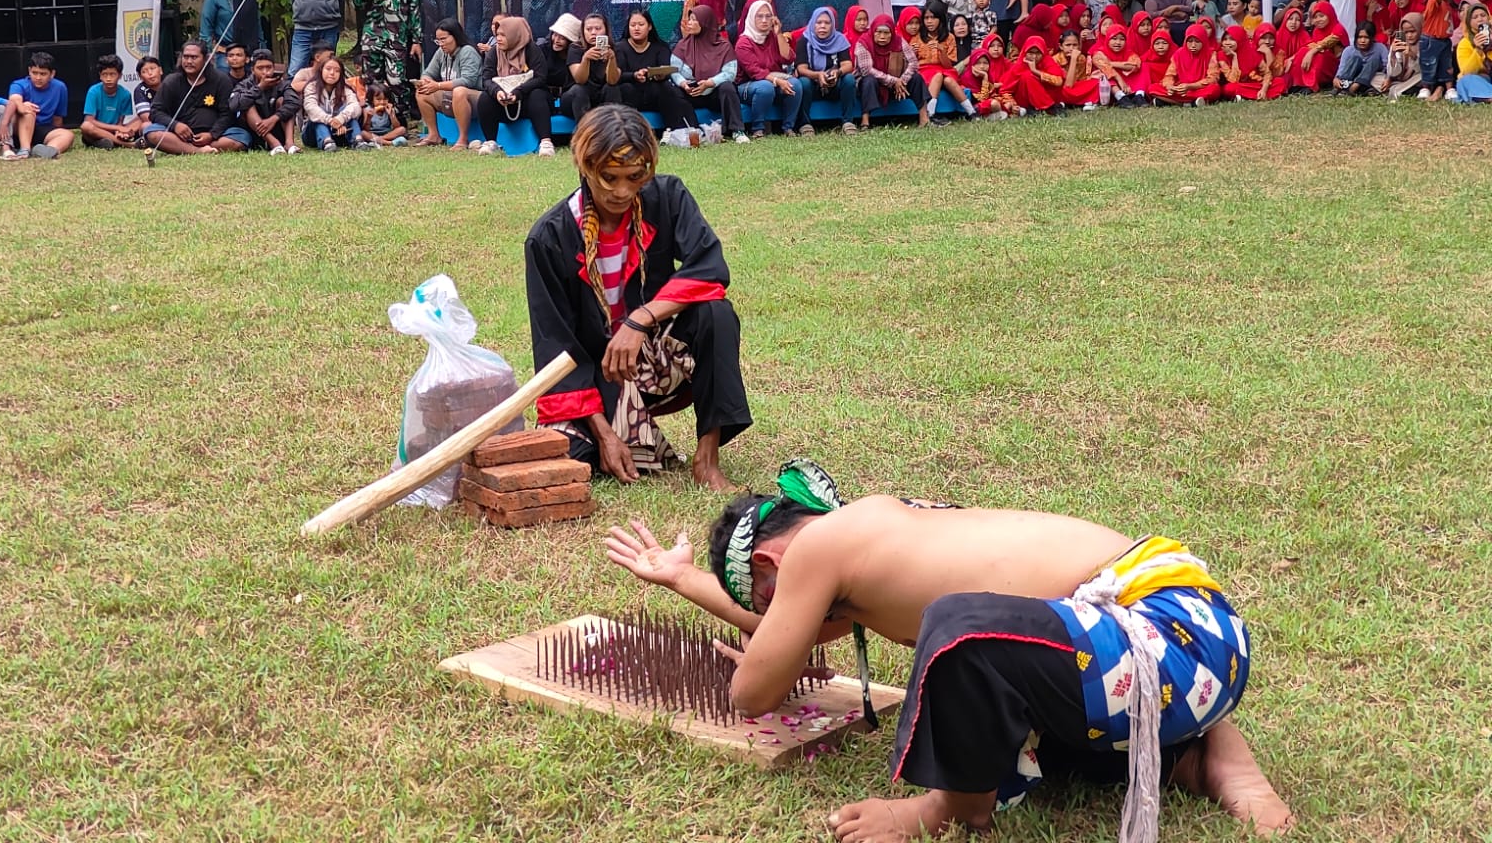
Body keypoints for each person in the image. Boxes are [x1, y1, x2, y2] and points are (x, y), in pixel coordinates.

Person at [605, 460, 1291, 842]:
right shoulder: (872, 539)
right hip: (1186, 656)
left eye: (768, 603)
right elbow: (789, 645)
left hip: (1167, 639)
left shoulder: (819, 548)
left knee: (957, 631)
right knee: (999, 719)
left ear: (773, 561)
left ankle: (950, 808)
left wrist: (764, 654)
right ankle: (1198, 757)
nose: (782, 620)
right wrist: (685, 580)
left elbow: (751, 692)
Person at [524, 103, 749, 490]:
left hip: (653, 354)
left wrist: (638, 321)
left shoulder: (668, 196)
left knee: (716, 313)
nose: (623, 191)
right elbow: (555, 346)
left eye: (635, 176)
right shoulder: (549, 237)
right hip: (598, 371)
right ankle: (611, 429)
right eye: (609, 177)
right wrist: (605, 434)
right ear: (584, 166)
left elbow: (710, 268)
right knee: (578, 458)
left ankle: (706, 458)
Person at [353, 0, 422, 120]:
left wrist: (417, 40)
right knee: (370, 79)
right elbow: (355, 1)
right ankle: (371, 120)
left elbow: (415, 8)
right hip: (372, 36)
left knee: (397, 81)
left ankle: (399, 120)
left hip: (397, 38)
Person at [143, 41, 246, 155]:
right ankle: (197, 151)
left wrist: (212, 134)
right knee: (151, 132)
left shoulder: (221, 80)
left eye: (194, 57)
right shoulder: (171, 81)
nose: (189, 62)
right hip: (179, 135)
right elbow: (155, 111)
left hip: (215, 136)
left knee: (242, 137)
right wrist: (176, 125)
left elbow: (227, 114)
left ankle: (183, 148)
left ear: (206, 59)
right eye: (185, 57)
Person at [477, 15, 555, 157]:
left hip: (527, 100)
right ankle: (490, 142)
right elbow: (486, 79)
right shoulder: (494, 52)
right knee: (484, 98)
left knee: (537, 95)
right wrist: (497, 93)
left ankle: (546, 142)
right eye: (498, 34)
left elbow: (540, 78)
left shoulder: (532, 50)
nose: (498, 38)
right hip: (504, 102)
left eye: (503, 35)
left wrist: (518, 92)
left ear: (515, 35)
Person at [672, 5, 746, 143]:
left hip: (713, 91)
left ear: (705, 22)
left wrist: (710, 83)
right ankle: (694, 131)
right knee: (672, 91)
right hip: (692, 91)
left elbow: (730, 73)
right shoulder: (683, 45)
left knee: (728, 87)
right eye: (690, 19)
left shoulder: (723, 45)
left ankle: (737, 130)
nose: (690, 23)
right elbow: (674, 70)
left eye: (694, 20)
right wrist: (683, 83)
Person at [736, 0, 810, 139]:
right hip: (748, 85)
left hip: (772, 80)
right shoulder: (744, 42)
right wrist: (777, 80)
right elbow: (755, 71)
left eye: (768, 16)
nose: (764, 20)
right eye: (759, 16)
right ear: (752, 17)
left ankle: (788, 127)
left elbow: (788, 58)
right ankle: (758, 129)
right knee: (765, 87)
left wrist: (778, 33)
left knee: (796, 84)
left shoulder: (773, 37)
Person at [615, 7, 695, 131]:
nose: (636, 28)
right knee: (625, 89)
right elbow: (616, 75)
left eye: (641, 24)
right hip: (630, 91)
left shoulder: (660, 47)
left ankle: (679, 130)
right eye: (633, 25)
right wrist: (634, 75)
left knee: (667, 88)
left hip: (654, 90)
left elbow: (666, 70)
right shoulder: (620, 47)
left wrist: (661, 74)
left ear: (650, 27)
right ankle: (628, 131)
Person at [414, 19, 483, 149]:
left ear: (455, 36)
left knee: (459, 91)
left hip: (475, 98)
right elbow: (429, 72)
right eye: (438, 40)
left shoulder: (468, 51)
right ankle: (434, 135)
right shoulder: (441, 52)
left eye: (443, 39)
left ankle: (463, 139)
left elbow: (468, 81)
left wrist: (438, 86)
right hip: (451, 97)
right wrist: (424, 81)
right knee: (422, 91)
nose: (441, 44)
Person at [854, 13, 929, 130]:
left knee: (916, 78)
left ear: (892, 33)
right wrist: (893, 81)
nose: (882, 36)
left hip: (898, 84)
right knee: (868, 80)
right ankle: (865, 121)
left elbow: (913, 63)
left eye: (886, 33)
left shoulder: (898, 41)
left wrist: (902, 81)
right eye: (878, 32)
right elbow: (866, 70)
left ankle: (924, 118)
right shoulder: (863, 42)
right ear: (873, 31)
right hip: (875, 85)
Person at [797, 6, 861, 134]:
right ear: (813, 23)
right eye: (819, 22)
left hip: (834, 85)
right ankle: (805, 124)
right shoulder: (804, 40)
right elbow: (801, 68)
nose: (823, 26)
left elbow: (848, 65)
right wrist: (817, 75)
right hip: (813, 86)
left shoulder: (839, 39)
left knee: (849, 79)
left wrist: (838, 73)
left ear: (832, 25)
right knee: (803, 82)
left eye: (827, 23)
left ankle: (848, 121)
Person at [3, 51, 77, 159]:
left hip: (42, 129)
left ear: (52, 74)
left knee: (68, 135)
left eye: (43, 74)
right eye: (35, 73)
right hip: (19, 129)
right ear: (29, 71)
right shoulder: (19, 84)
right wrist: (23, 105)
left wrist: (57, 132)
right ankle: (25, 149)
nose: (38, 77)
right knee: (28, 110)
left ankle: (48, 150)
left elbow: (58, 117)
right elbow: (14, 100)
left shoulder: (60, 87)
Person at [230, 47, 299, 153]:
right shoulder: (245, 84)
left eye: (269, 67)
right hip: (254, 135)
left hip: (278, 129)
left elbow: (295, 102)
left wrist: (274, 118)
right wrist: (259, 88)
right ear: (253, 70)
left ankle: (289, 144)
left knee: (283, 101)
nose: (265, 72)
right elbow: (233, 105)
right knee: (248, 106)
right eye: (260, 68)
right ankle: (274, 144)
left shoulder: (281, 83)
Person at [912, 3, 973, 120]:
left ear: (940, 19)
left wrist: (941, 50)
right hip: (924, 71)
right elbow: (912, 63)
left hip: (945, 69)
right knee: (938, 76)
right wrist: (912, 52)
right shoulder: (918, 37)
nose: (929, 21)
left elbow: (948, 65)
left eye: (933, 17)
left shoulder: (949, 37)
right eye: (926, 18)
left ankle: (971, 112)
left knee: (949, 80)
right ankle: (930, 114)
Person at [199, 0, 262, 68]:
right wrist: (209, 50)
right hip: (224, 53)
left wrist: (261, 50)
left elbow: (257, 25)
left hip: (248, 53)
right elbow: (206, 27)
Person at [568, 11, 623, 122]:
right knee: (578, 90)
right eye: (588, 29)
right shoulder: (575, 48)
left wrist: (611, 59)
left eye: (598, 29)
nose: (593, 33)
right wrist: (585, 58)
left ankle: (613, 130)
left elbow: (613, 81)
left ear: (606, 30)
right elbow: (580, 80)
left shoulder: (615, 49)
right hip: (576, 98)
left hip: (602, 95)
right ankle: (585, 133)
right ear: (583, 32)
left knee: (612, 88)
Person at [301, 55, 363, 149]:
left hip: (339, 132)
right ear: (321, 70)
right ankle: (327, 142)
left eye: (337, 71)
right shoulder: (312, 86)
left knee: (350, 114)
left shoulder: (345, 87)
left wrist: (341, 119)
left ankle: (358, 141)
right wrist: (330, 120)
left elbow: (355, 106)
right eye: (328, 69)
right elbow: (311, 107)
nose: (332, 73)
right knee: (317, 118)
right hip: (313, 135)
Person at [1285, 1, 1346, 95]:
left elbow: (1327, 42)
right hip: (1322, 65)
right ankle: (1298, 84)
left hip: (1336, 67)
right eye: (1315, 17)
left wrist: (1311, 52)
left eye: (1321, 16)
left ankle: (1311, 85)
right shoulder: (1317, 31)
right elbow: (1311, 45)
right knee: (1303, 51)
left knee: (1319, 55)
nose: (1318, 20)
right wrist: (1293, 57)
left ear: (1330, 14)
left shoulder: (1338, 27)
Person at [80, 54, 139, 148]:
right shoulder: (93, 91)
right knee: (86, 126)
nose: (108, 79)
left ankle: (108, 141)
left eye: (112, 74)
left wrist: (120, 131)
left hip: (114, 130)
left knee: (141, 119)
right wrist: (118, 128)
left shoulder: (125, 94)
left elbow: (120, 120)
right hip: (97, 130)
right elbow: (89, 120)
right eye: (105, 74)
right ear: (100, 76)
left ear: (120, 76)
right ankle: (126, 144)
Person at [1417, 0, 1458, 100]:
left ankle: (1449, 89)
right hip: (1431, 39)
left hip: (1445, 40)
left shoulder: (1449, 5)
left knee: (1447, 65)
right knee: (1428, 64)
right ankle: (1426, 88)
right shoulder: (1434, 2)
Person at [1223, 24, 1284, 101]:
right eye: (1225, 39)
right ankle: (1259, 96)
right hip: (1242, 85)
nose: (1267, 41)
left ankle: (1247, 97)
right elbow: (1233, 80)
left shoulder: (1252, 52)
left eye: (1232, 39)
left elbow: (1268, 74)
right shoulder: (1222, 55)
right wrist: (1235, 58)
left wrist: (1263, 89)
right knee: (1229, 88)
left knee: (1279, 82)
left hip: (1258, 84)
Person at [543, 12, 583, 122]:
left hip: (570, 99)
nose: (556, 40)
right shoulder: (543, 51)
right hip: (547, 100)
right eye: (555, 35)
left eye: (562, 38)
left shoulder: (579, 55)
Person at [1090, 26, 1144, 107]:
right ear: (1108, 39)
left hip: (1127, 83)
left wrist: (1111, 63)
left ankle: (1139, 95)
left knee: (1144, 67)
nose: (1118, 42)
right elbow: (1101, 64)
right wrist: (1119, 79)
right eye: (1114, 39)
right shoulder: (1100, 52)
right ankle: (1120, 97)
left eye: (1122, 39)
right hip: (1111, 86)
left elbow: (1135, 65)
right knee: (1104, 73)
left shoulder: (1128, 52)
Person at [1333, 23, 1389, 95]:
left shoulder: (1380, 48)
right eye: (1360, 37)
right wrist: (1337, 78)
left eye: (1366, 37)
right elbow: (1342, 68)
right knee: (1355, 59)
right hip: (1351, 78)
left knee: (1374, 60)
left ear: (1372, 38)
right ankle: (1346, 87)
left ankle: (1355, 87)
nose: (1362, 41)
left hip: (1372, 78)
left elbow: (1387, 67)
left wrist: (1387, 79)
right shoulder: (1349, 50)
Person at [1454, 0, 1492, 104]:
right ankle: (1488, 97)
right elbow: (1467, 71)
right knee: (1465, 81)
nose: (1480, 19)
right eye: (1475, 17)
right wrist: (1478, 50)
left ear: (1489, 18)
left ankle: (1484, 97)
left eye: (1483, 15)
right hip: (1481, 80)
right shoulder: (1464, 43)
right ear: (1469, 23)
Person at [1384, 14, 1424, 99]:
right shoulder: (1399, 42)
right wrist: (1393, 55)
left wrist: (1412, 55)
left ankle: (1396, 90)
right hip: (1399, 79)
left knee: (1424, 76)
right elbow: (1394, 73)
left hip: (1415, 80)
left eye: (1412, 31)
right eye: (1406, 32)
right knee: (1375, 78)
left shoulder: (1425, 43)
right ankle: (1400, 89)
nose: (1409, 35)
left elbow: (1423, 68)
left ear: (1420, 29)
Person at [131, 55, 164, 129]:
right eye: (144, 71)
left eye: (152, 69)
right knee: (146, 126)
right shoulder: (140, 90)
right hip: (158, 125)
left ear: (160, 70)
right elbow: (146, 117)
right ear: (140, 77)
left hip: (176, 122)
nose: (150, 73)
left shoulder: (170, 84)